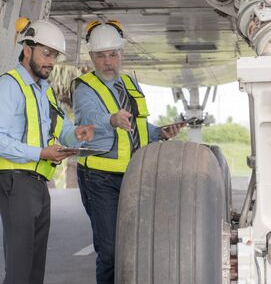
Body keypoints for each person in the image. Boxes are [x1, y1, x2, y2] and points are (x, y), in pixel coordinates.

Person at [72, 20, 184, 284]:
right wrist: (111, 120)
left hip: (134, 176)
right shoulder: (84, 86)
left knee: (135, 246)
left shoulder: (130, 84)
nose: (108, 61)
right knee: (110, 250)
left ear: (122, 54)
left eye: (113, 54)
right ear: (92, 57)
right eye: (101, 56)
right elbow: (86, 117)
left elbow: (138, 122)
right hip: (99, 177)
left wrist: (160, 132)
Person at [0, 18, 95, 284]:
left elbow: (62, 126)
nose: (51, 61)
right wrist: (40, 153)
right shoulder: (9, 86)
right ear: (27, 50)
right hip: (16, 181)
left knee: (34, 270)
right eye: (46, 53)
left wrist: (77, 134)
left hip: (40, 183)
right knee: (19, 271)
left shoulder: (45, 91)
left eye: (54, 55)